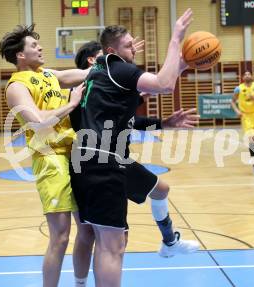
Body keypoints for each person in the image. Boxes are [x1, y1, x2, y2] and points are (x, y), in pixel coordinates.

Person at [70, 9, 195, 287]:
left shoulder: (98, 76)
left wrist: (164, 122)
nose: (134, 49)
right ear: (111, 50)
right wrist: (175, 39)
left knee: (112, 239)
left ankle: (169, 242)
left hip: (89, 161)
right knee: (110, 246)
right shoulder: (117, 68)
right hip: (104, 162)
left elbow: (127, 117)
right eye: (129, 45)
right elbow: (164, 84)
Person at [0, 24, 91, 287]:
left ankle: (80, 283)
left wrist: (113, 59)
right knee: (61, 236)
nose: (40, 48)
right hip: (50, 158)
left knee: (86, 230)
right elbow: (38, 122)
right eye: (33, 46)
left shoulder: (48, 74)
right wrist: (72, 104)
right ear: (20, 55)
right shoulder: (16, 87)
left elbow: (83, 74)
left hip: (75, 153)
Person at [231, 71, 254, 176]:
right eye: (245, 74)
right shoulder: (238, 88)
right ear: (242, 77)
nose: (247, 76)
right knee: (252, 140)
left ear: (252, 76)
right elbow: (232, 101)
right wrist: (237, 111)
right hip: (246, 116)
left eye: (249, 74)